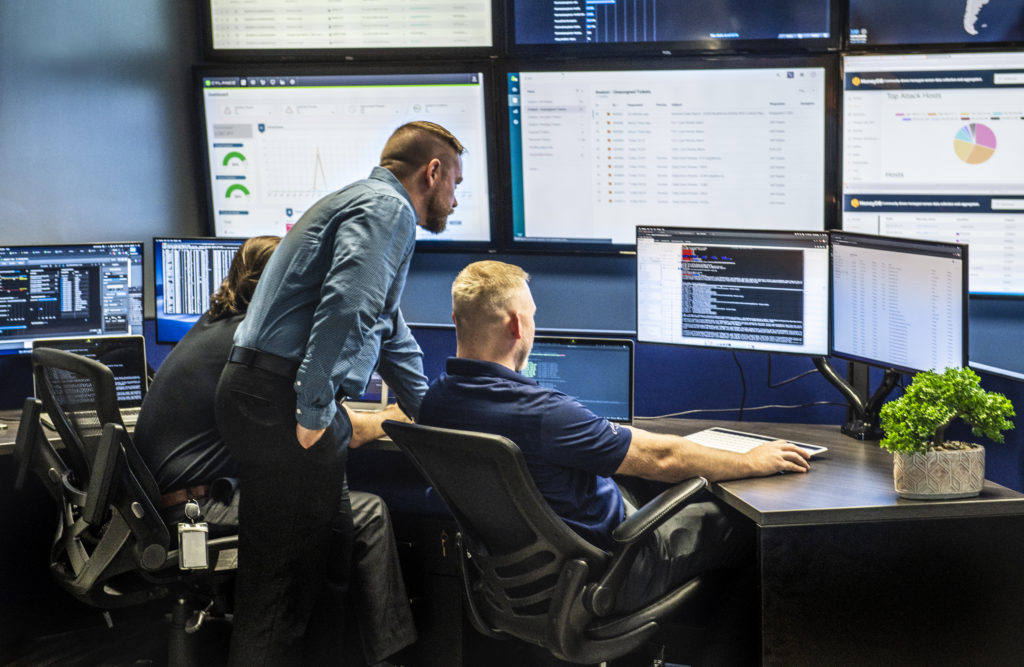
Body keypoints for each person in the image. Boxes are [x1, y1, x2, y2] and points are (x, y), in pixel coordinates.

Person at [418, 260, 812, 614]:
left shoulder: (433, 404)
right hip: (608, 570)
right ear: (517, 325)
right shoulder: (544, 413)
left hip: (517, 578)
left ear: (456, 319)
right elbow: (662, 458)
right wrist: (752, 460)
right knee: (746, 525)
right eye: (533, 316)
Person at [215, 121, 464, 665]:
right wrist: (314, 408)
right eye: (455, 184)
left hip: (262, 394)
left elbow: (387, 330)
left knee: (322, 570)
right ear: (433, 170)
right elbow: (348, 306)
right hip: (281, 403)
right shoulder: (387, 209)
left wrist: (435, 416)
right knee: (278, 595)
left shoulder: (362, 204)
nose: (454, 198)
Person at [133, 236, 416, 666]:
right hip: (195, 511)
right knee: (368, 514)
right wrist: (401, 414)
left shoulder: (217, 326)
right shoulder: (254, 351)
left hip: (172, 503)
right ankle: (388, 659)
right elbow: (343, 432)